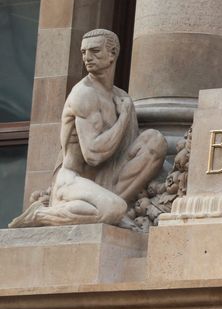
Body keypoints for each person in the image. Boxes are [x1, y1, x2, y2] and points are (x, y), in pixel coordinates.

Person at [10, 29, 167, 229]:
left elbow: (129, 148)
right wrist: (124, 117)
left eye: (94, 51)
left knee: (155, 141)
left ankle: (110, 208)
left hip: (105, 180)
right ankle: (40, 214)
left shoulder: (122, 98)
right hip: (72, 182)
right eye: (84, 52)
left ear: (112, 54)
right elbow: (92, 154)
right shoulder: (83, 94)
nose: (87, 58)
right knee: (115, 208)